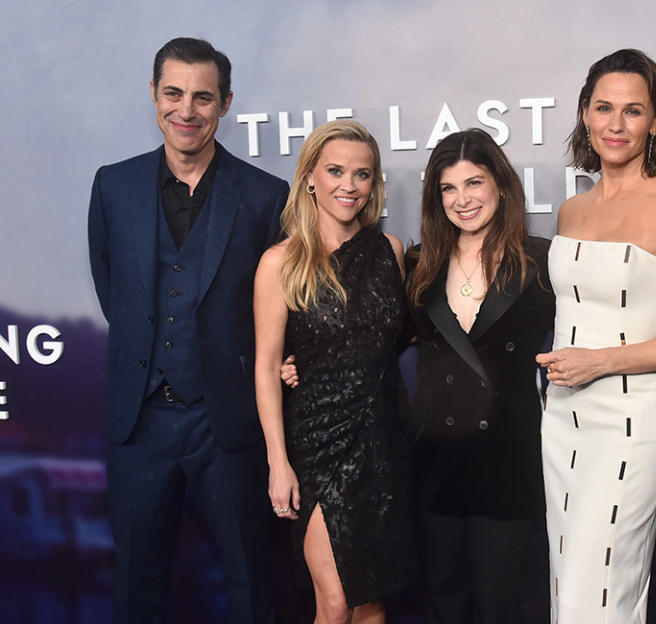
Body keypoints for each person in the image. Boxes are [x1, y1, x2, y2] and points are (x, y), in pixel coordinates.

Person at [87, 37, 288, 623]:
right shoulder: (112, 187)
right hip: (138, 422)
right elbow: (113, 292)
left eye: (203, 97)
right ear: (153, 95)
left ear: (226, 103)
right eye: (173, 93)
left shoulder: (265, 196)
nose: (187, 110)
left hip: (227, 423)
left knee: (253, 584)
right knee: (135, 589)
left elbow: (278, 309)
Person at [534, 49, 656, 623]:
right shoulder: (572, 210)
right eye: (604, 108)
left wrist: (601, 362)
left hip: (631, 421)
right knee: (568, 585)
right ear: (586, 116)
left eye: (633, 111)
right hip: (562, 417)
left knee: (602, 590)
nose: (616, 125)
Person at [253, 120, 416, 624]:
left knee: (370, 600)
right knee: (335, 600)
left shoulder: (388, 251)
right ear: (309, 179)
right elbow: (264, 366)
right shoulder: (280, 263)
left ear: (374, 184)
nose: (349, 185)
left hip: (383, 439)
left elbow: (394, 336)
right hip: (318, 442)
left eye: (362, 174)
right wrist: (278, 463)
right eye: (336, 171)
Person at [405, 129, 554, 623]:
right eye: (449, 188)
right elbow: (371, 342)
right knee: (444, 600)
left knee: (499, 604)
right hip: (435, 462)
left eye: (474, 183)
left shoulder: (542, 260)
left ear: (501, 186)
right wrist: (296, 361)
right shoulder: (418, 265)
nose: (462, 200)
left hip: (507, 460)